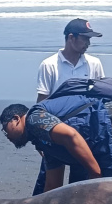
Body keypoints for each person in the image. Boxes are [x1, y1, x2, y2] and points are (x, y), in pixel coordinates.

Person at [0, 95, 112, 193]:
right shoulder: (43, 142)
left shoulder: (34, 119)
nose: (8, 137)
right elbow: (53, 185)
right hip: (107, 140)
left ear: (16, 119)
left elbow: (71, 136)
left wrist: (95, 175)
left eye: (6, 130)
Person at [33, 19, 106, 191]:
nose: (88, 43)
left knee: (80, 182)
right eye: (85, 39)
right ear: (71, 38)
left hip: (84, 132)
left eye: (90, 39)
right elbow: (42, 101)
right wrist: (40, 137)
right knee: (48, 182)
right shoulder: (49, 65)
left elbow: (101, 97)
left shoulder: (94, 64)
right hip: (56, 131)